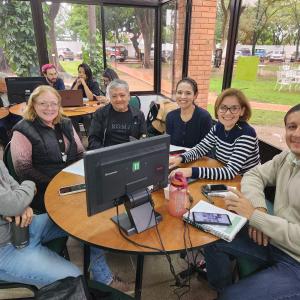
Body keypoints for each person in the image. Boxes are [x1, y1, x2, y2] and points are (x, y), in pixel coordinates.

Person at [10, 86, 131, 291]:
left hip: (71, 185)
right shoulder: (22, 129)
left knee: (100, 209)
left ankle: (98, 264)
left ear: (59, 105)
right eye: (43, 103)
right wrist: (58, 182)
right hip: (43, 192)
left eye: (54, 103)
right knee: (88, 219)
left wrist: (90, 172)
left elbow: (79, 154)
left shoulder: (66, 123)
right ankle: (103, 278)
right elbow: (24, 171)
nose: (49, 108)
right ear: (33, 105)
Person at [202, 103, 300, 300]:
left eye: (233, 109)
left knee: (234, 297)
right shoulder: (287, 158)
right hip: (273, 240)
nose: (297, 134)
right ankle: (222, 289)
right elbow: (254, 175)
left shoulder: (246, 133)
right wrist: (259, 210)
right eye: (292, 126)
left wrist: (255, 217)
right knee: (210, 235)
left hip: (296, 261)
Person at [0, 160, 81, 287]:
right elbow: (13, 204)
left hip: (24, 225)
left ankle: (102, 274)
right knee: (75, 279)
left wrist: (21, 204)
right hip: (4, 248)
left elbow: (12, 185)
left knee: (80, 219)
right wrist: (30, 185)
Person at [169, 88, 260, 180]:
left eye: (234, 108)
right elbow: (200, 149)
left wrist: (191, 171)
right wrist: (180, 158)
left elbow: (230, 172)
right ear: (217, 110)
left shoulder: (247, 134)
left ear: (242, 111)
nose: (228, 113)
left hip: (246, 180)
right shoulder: (218, 127)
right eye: (223, 107)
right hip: (225, 175)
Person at [88, 79, 146, 150]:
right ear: (110, 98)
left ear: (128, 96)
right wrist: (103, 154)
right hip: (107, 154)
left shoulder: (139, 115)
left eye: (122, 95)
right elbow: (93, 139)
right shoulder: (100, 114)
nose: (118, 99)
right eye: (114, 96)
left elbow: (143, 137)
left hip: (131, 153)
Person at [166, 77, 212, 148]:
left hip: (198, 158)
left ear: (195, 95)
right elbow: (169, 145)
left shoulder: (204, 117)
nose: (183, 96)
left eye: (188, 93)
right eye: (179, 92)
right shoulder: (170, 116)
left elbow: (206, 148)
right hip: (174, 158)